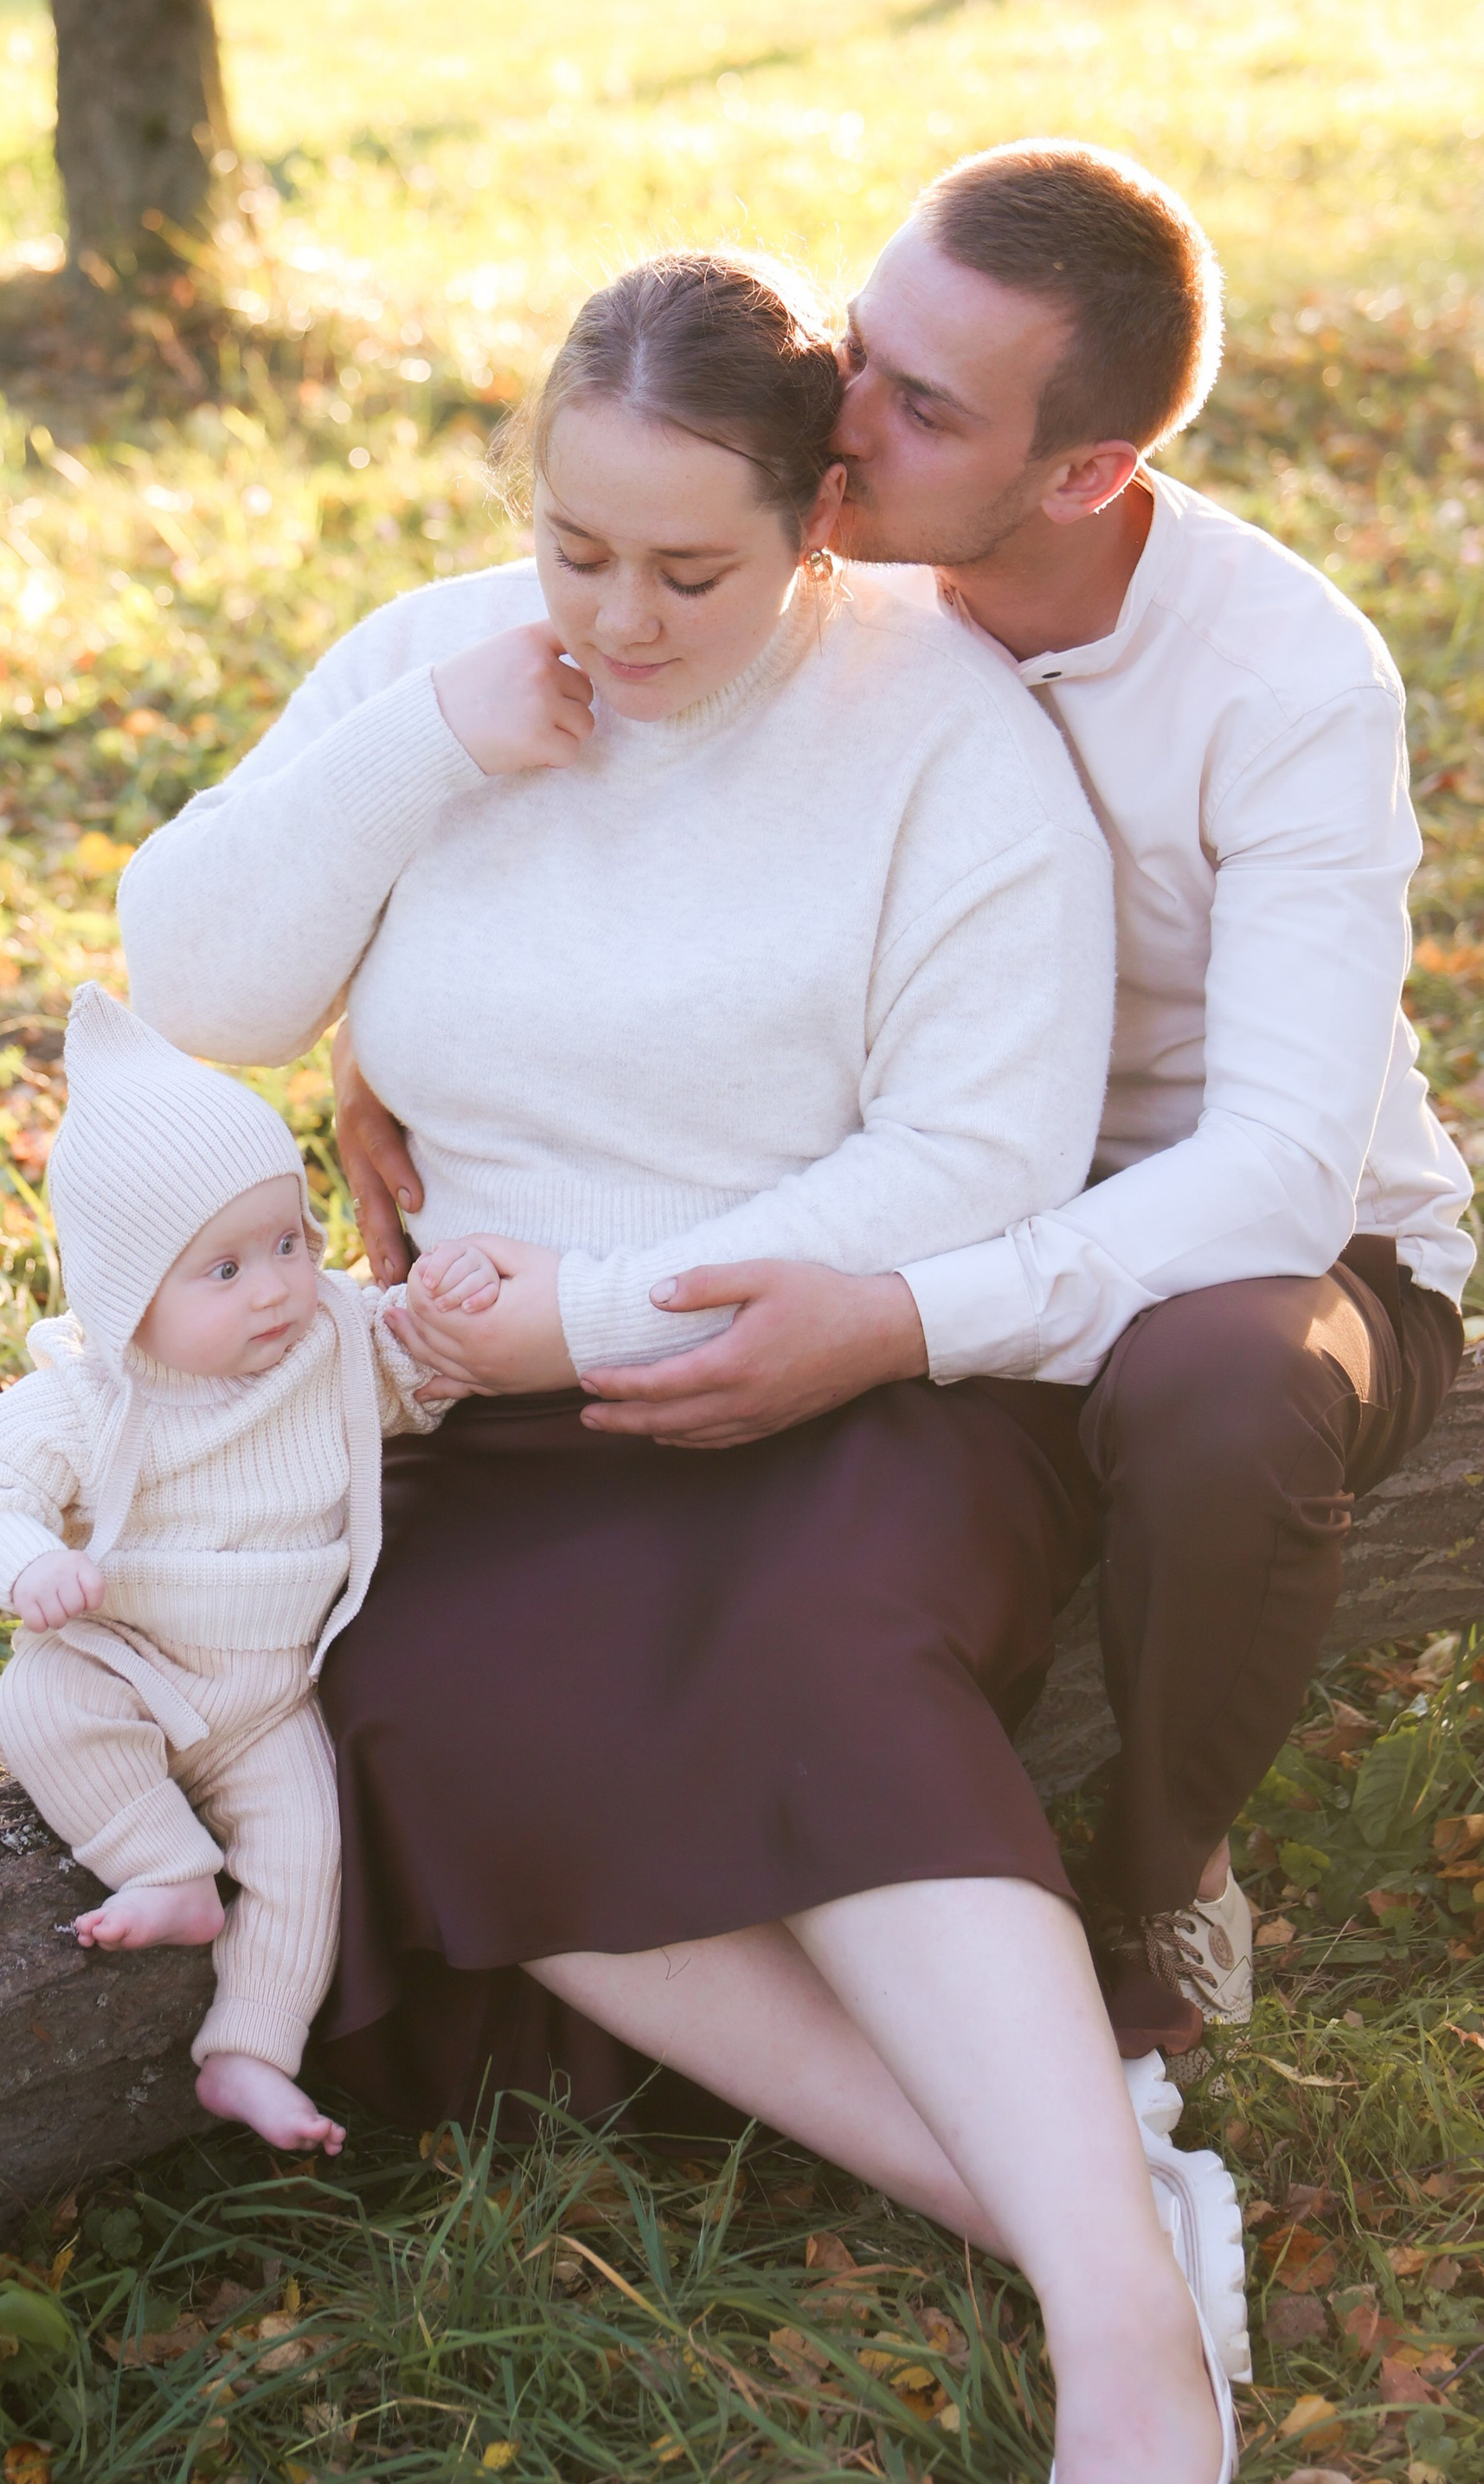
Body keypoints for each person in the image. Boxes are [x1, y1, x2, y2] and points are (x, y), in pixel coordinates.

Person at [122, 254, 1241, 2484]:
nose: (617, 622)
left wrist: (607, 1309)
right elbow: (197, 977)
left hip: (855, 1374)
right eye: (575, 548)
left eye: (687, 570)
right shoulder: (436, 670)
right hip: (488, 1414)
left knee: (802, 1645)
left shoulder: (932, 723)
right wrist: (431, 743)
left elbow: (974, 1154)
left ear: (817, 521)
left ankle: (1132, 2351)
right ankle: (1076, 2205)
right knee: (423, 1717)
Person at [337, 143, 1473, 2058]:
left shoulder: (1284, 682)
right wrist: (378, 1029)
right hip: (880, 1185)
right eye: (862, 348)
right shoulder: (816, 591)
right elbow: (567, 797)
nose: (836, 420)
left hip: (1222, 1244)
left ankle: (1163, 1867)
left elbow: (1274, 1169)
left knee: (1217, 1389)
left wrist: (899, 1319)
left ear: (1083, 473)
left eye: (920, 406)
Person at [0, 982, 458, 2155]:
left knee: (305, 1857)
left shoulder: (325, 1344)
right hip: (131, 1654)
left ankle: (252, 2052)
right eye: (221, 1269)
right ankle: (162, 1868)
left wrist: (445, 1331)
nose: (273, 1283)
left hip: (272, 1692)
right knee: (40, 1708)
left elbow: (416, 1379)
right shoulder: (86, 1395)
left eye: (286, 1240)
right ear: (126, 1295)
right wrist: (24, 1567)